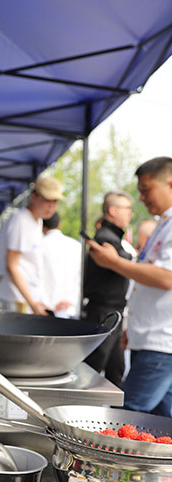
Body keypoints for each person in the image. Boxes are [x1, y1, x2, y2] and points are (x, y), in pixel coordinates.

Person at [88, 157, 172, 414]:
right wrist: (133, 325)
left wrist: (113, 262)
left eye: (146, 190)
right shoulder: (163, 224)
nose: (142, 199)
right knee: (161, 419)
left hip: (161, 341)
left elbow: (166, 277)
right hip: (150, 336)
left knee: (127, 416)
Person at [82, 191, 133, 385]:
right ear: (113, 210)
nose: (131, 214)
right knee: (94, 365)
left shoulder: (110, 237)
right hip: (104, 310)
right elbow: (121, 263)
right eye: (127, 209)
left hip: (111, 309)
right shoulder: (105, 237)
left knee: (116, 368)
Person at [0, 175, 64, 314]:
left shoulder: (37, 222)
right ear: (34, 197)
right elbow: (12, 266)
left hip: (27, 300)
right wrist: (33, 303)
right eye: (47, 200)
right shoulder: (21, 221)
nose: (51, 205)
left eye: (55, 201)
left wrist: (38, 299)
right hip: (16, 301)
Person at [39, 213, 82, 318]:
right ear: (59, 224)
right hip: (70, 308)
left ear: (42, 226)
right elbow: (81, 276)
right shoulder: (76, 245)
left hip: (44, 309)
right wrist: (71, 299)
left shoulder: (38, 246)